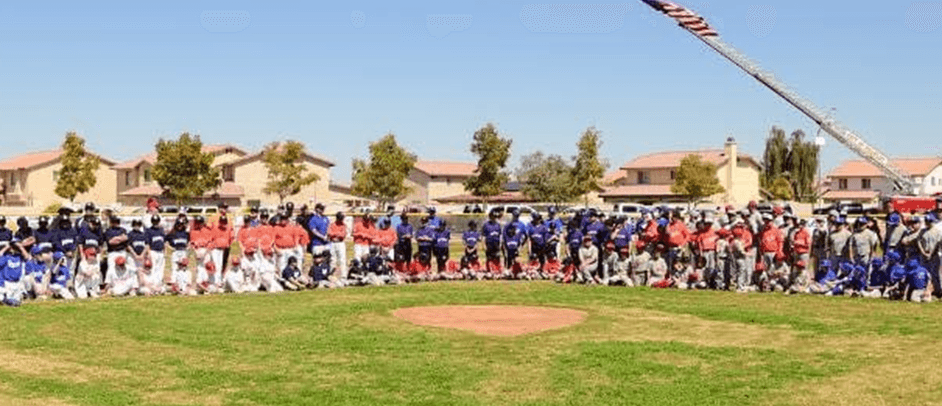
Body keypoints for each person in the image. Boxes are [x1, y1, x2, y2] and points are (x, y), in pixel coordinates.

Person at [1, 241, 29, 306]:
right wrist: (6, 247)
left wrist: (20, 247)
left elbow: (27, 257)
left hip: (17, 283)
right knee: (5, 299)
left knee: (16, 301)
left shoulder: (19, 256)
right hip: (8, 283)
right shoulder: (6, 256)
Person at [328, 212, 348, 278]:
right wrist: (337, 234)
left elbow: (343, 234)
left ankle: (343, 275)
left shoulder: (343, 225)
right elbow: (330, 233)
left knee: (342, 259)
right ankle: (331, 274)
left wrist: (335, 234)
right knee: (332, 259)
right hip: (333, 243)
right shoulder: (332, 224)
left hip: (340, 243)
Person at [482, 210, 503, 274]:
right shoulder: (486, 225)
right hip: (489, 244)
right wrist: (483, 245)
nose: (494, 218)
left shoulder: (498, 225)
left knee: (497, 257)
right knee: (489, 258)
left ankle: (497, 270)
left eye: (495, 216)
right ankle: (489, 270)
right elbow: (483, 236)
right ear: (490, 216)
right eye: (492, 216)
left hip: (496, 244)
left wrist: (500, 244)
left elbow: (500, 235)